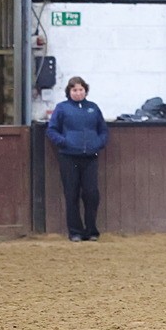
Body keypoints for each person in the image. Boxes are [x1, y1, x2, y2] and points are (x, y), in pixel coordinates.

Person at [46, 76, 109, 242]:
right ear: (69, 91)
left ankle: (91, 230)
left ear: (85, 91)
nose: (78, 93)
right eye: (75, 90)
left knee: (91, 194)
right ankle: (75, 231)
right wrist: (64, 142)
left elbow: (103, 129)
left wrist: (99, 142)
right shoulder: (62, 108)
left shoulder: (93, 108)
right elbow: (52, 130)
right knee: (71, 194)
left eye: (81, 89)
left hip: (90, 157)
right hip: (68, 157)